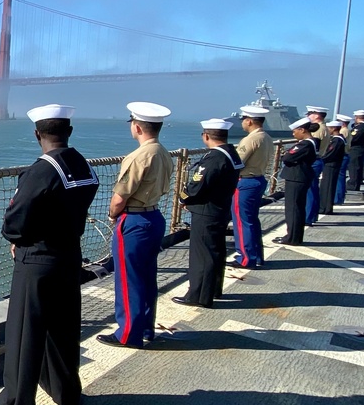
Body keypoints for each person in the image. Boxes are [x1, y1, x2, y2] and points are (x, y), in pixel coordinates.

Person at [0, 104, 99, 405]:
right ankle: (67, 393)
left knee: (24, 333)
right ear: (69, 132)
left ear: (37, 134)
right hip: (69, 256)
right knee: (63, 330)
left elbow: (16, 219)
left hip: (37, 260)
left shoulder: (42, 170)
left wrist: (18, 239)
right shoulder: (81, 165)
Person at [97, 101, 173, 349]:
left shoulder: (139, 156)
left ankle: (128, 333)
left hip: (134, 219)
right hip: (154, 217)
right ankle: (146, 327)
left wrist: (112, 214)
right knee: (147, 276)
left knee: (128, 279)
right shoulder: (163, 152)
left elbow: (121, 196)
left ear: (138, 128)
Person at [172, 118, 243, 308]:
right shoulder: (231, 154)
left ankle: (197, 295)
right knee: (216, 252)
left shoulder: (214, 158)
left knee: (202, 255)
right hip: (220, 208)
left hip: (206, 211)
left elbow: (197, 184)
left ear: (206, 136)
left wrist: (183, 198)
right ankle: (213, 289)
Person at [231, 105, 273, 268]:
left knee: (242, 221)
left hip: (245, 181)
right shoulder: (266, 137)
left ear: (249, 121)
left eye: (243, 120)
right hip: (258, 178)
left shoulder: (251, 139)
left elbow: (237, 162)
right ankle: (256, 255)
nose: (242, 123)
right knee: (252, 220)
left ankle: (245, 257)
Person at [273, 117, 319, 245]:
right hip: (301, 176)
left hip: (296, 177)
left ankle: (292, 237)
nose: (293, 134)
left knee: (293, 209)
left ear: (302, 130)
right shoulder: (313, 142)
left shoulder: (305, 144)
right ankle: (294, 236)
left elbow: (287, 157)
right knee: (297, 208)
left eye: (295, 131)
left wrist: (286, 155)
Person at [303, 106, 329, 226]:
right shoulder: (324, 127)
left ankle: (308, 217)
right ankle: (312, 215)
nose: (308, 116)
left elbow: (312, 146)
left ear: (317, 115)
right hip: (318, 160)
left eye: (310, 113)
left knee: (310, 190)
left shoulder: (318, 129)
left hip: (313, 161)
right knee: (313, 189)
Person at [320, 119, 346, 214]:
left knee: (327, 187)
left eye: (329, 128)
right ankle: (326, 207)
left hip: (331, 165)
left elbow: (330, 153)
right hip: (333, 165)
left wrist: (321, 159)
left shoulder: (337, 140)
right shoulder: (338, 139)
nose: (328, 130)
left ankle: (325, 208)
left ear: (334, 128)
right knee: (328, 186)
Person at [347, 110, 364, 191]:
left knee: (354, 167)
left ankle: (353, 184)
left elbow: (354, 138)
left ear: (357, 117)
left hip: (357, 148)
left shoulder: (361, 127)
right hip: (360, 148)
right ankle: (355, 183)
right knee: (357, 167)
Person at [333, 114, 352, 204]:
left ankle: (338, 198)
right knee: (341, 177)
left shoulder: (343, 131)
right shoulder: (347, 130)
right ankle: (340, 197)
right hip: (345, 154)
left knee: (339, 178)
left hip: (342, 155)